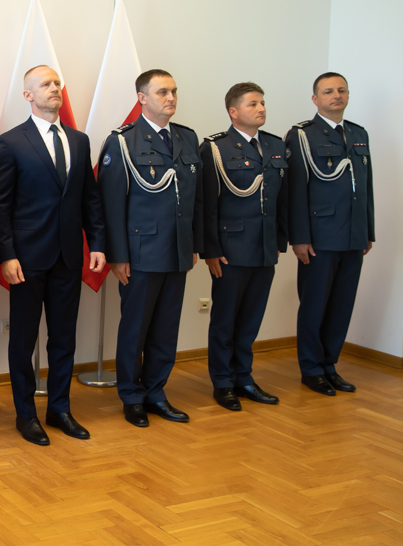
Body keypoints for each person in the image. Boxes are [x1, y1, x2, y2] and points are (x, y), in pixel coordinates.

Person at [0, 65, 105, 445]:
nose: (55, 88)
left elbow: (90, 198)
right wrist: (6, 255)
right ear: (28, 95)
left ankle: (59, 410)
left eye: (57, 83)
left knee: (64, 339)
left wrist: (98, 243)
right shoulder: (11, 142)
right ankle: (26, 415)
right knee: (23, 341)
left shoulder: (79, 141)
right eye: (45, 84)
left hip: (69, 257)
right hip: (26, 260)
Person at [98, 69, 203, 428]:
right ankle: (131, 396)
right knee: (136, 329)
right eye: (162, 92)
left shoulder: (187, 138)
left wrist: (194, 244)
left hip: (178, 250)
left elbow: (195, 199)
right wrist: (118, 255)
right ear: (142, 98)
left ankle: (156, 391)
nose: (171, 98)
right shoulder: (123, 141)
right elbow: (111, 203)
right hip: (141, 252)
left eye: (173, 91)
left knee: (166, 329)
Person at [285, 72, 373, 395]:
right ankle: (311, 369)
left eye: (341, 90)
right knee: (314, 305)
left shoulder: (358, 134)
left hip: (353, 235)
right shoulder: (302, 135)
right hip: (319, 236)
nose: (336, 95)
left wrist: (368, 229)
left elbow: (366, 186)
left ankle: (329, 365)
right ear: (315, 99)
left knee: (341, 305)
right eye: (328, 91)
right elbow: (295, 191)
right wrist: (299, 237)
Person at [200, 83, 288, 410]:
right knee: (225, 321)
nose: (261, 108)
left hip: (264, 247)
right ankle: (223, 382)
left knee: (251, 319)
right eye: (253, 104)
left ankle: (244, 378)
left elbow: (282, 199)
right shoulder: (215, 148)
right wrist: (210, 250)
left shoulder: (275, 145)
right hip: (230, 249)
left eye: (262, 102)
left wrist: (279, 239)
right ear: (233, 112)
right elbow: (207, 203)